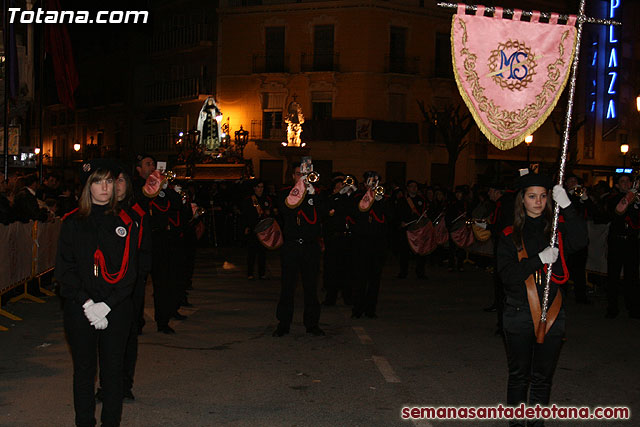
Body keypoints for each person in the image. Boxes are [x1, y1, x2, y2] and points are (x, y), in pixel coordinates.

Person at [55, 159, 142, 427]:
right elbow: (64, 270)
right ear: (87, 186)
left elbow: (130, 273)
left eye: (109, 181)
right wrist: (88, 303)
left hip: (116, 309)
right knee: (83, 371)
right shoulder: (72, 222)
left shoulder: (126, 221)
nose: (104, 188)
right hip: (80, 308)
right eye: (97, 181)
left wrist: (107, 304)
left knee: (112, 373)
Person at [497, 172, 587, 426]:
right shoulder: (508, 234)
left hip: (553, 313)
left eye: (543, 196)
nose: (538, 201)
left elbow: (581, 241)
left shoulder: (556, 231)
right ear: (522, 200)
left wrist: (568, 208)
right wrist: (538, 260)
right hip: (518, 312)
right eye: (532, 196)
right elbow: (507, 275)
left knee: (542, 378)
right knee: (519, 376)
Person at [273, 165, 325, 337]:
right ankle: (283, 323)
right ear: (293, 177)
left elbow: (324, 211)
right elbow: (286, 209)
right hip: (292, 246)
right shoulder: (285, 192)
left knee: (311, 287)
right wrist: (300, 191)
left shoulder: (316, 192)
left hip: (310, 246)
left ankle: (312, 324)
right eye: (299, 174)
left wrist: (312, 193)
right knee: (288, 286)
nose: (302, 177)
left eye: (305, 174)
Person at [351, 171, 391, 318]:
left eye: (376, 181)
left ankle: (370, 309)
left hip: (377, 243)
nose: (373, 184)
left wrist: (380, 200)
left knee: (374, 279)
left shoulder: (384, 198)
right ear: (365, 182)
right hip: (361, 242)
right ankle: (357, 309)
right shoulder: (357, 197)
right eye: (370, 181)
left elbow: (390, 217)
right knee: (359, 278)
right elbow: (355, 213)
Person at [605, 173, 640, 319]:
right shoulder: (614, 198)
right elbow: (619, 210)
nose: (626, 183)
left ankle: (633, 307)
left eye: (628, 181)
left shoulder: (635, 198)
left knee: (632, 277)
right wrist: (632, 194)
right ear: (617, 185)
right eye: (622, 181)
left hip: (632, 241)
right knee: (613, 275)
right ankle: (612, 308)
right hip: (617, 241)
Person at [322, 173, 357, 306]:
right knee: (332, 270)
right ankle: (331, 298)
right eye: (337, 186)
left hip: (347, 238)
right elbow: (328, 211)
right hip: (333, 238)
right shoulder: (330, 198)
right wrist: (338, 195)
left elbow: (352, 210)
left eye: (342, 185)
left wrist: (348, 193)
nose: (340, 187)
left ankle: (348, 297)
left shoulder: (348, 198)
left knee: (348, 270)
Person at [396, 180, 427, 279]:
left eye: (416, 186)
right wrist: (401, 222)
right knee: (404, 252)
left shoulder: (421, 200)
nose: (414, 188)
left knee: (420, 251)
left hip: (417, 229)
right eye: (412, 186)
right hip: (406, 229)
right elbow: (398, 214)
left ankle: (420, 272)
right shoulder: (402, 200)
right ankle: (403, 272)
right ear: (408, 188)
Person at [241, 179, 272, 280]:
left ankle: (262, 273)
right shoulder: (249, 200)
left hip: (263, 229)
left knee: (262, 252)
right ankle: (250, 273)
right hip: (253, 228)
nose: (260, 189)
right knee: (251, 252)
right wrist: (246, 226)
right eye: (258, 187)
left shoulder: (266, 199)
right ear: (254, 188)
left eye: (262, 187)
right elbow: (245, 215)